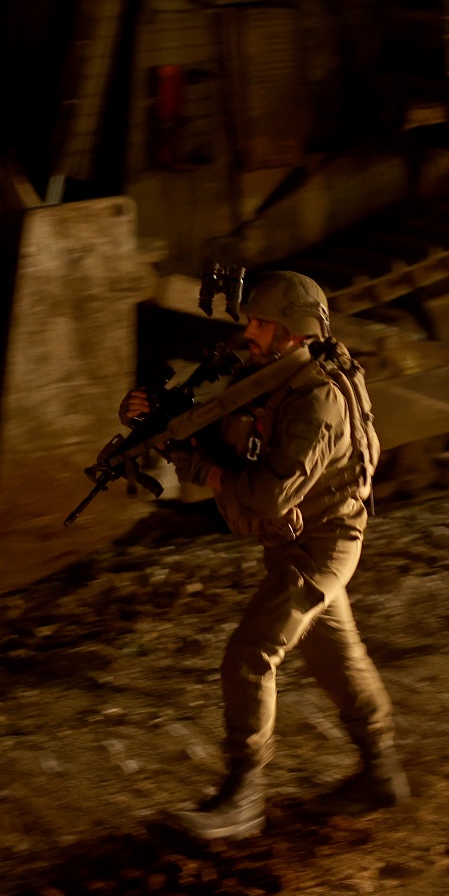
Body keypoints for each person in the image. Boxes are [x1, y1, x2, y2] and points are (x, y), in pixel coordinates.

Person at [120, 270, 407, 840]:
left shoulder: (317, 397)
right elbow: (225, 429)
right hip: (295, 541)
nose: (248, 332)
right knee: (336, 657)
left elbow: (266, 493)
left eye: (261, 324)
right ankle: (381, 772)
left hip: (324, 544)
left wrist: (198, 466)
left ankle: (243, 795)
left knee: (250, 654)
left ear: (292, 334)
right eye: (250, 321)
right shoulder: (272, 375)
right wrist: (157, 420)